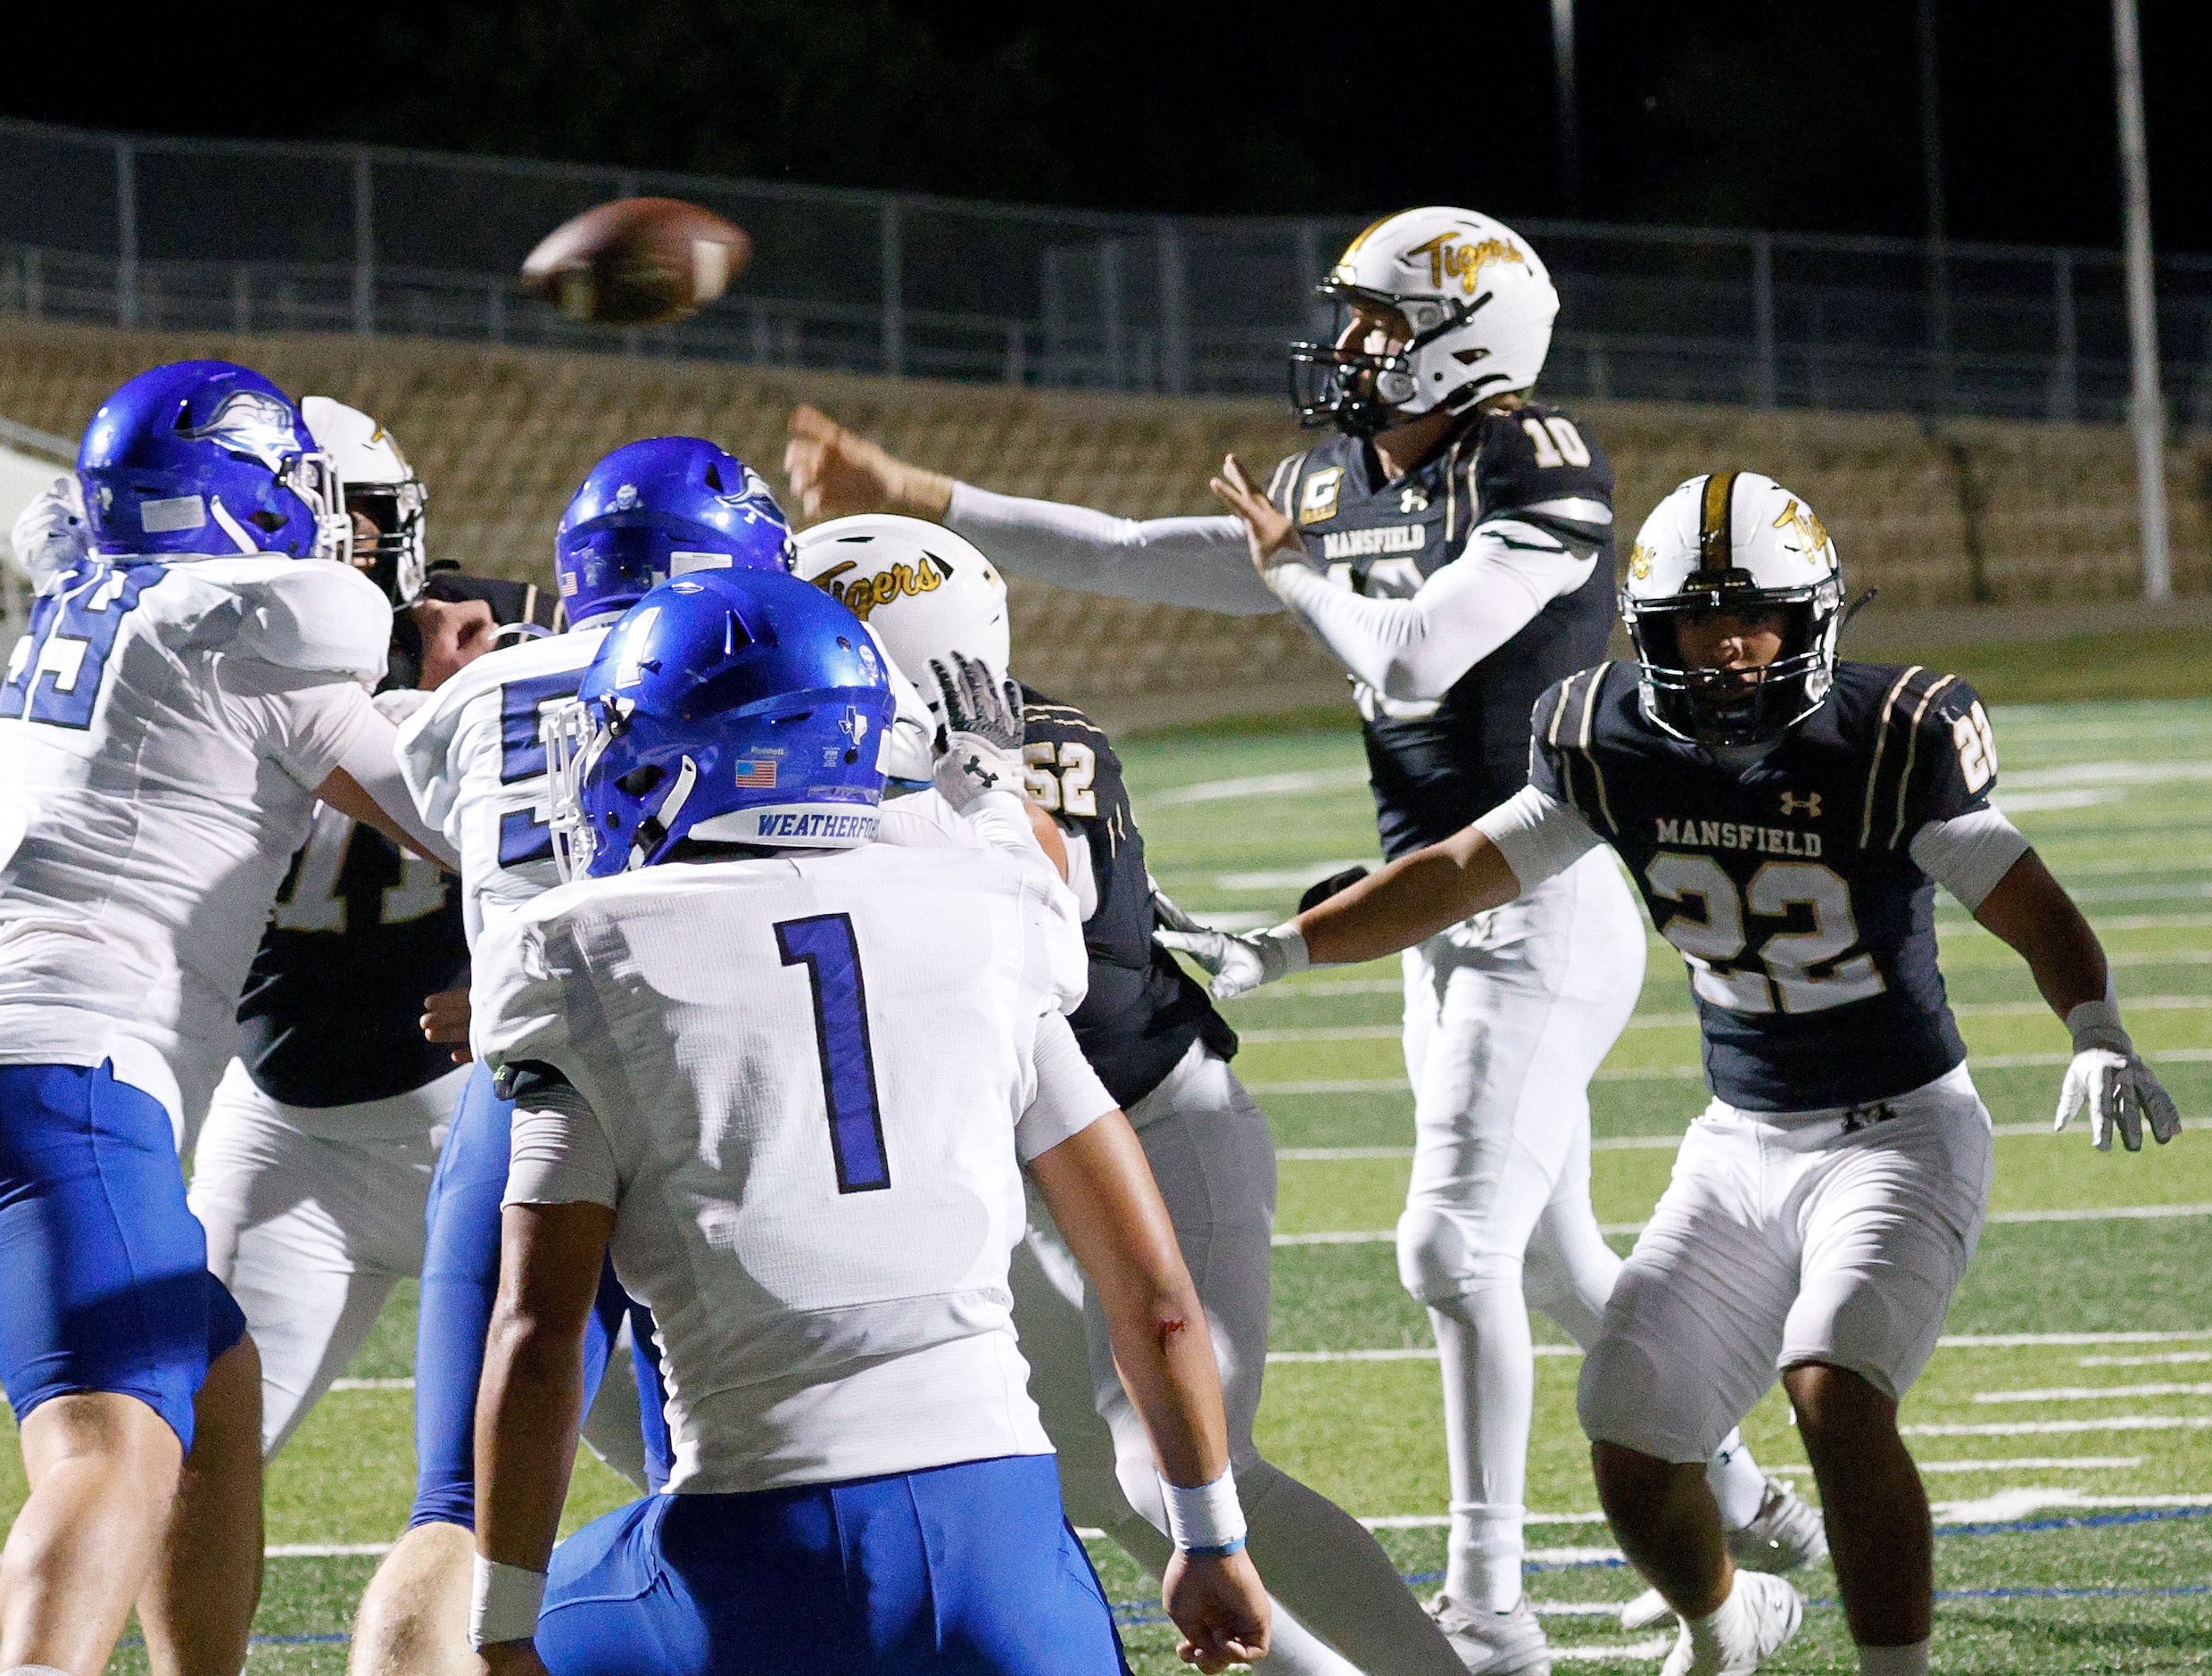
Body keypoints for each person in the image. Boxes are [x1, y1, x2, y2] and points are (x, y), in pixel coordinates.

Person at [785, 207, 1808, 1672]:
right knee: (1562, 1265)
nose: (1345, 349)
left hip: (1539, 890)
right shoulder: (1338, 477)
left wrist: (1290, 570)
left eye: (1379, 324)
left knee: (1454, 1251)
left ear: (1469, 336)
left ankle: (1485, 1603)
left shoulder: (1529, 461)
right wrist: (923, 495)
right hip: (1426, 906)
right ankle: (1738, 1519)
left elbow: (1411, 653)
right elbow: (1142, 550)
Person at [1161, 470, 2184, 1676]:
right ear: (1655, 632)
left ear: (1814, 621)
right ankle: (1724, 1621)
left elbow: (2021, 888)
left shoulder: (1891, 735)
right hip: (1739, 1135)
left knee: (1832, 1384)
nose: (1735, 646)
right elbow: (1457, 868)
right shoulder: (1608, 735)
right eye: (1704, 621)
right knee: (1632, 1433)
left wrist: (2095, 1020)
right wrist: (1280, 948)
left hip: (1900, 1133)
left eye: (1759, 617)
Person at [461, 568, 1271, 1676]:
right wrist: (1210, 1540)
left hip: (756, 1551)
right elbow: (1162, 1305)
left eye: (626, 733)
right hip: (1010, 1564)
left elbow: (538, 1332)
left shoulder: (579, 953)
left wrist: (500, 1629)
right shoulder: (992, 919)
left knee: (494, 1640)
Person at [0, 361, 442, 1676]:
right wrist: (477, 713)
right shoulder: (267, 628)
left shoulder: (96, 592)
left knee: (213, 1392)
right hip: (54, 1080)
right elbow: (471, 826)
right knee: (109, 1442)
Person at [798, 511, 1463, 1676]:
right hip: (1005, 1151)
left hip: (1144, 1123)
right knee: (1067, 1463)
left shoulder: (1038, 749)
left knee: (1187, 1461)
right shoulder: (840, 756)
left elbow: (1063, 974)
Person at [349, 437, 796, 1676]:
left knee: (457, 1509)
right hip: (696, 1089)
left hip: (519, 1088)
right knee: (709, 1494)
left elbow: (461, 830)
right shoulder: (753, 670)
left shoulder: (480, 695)